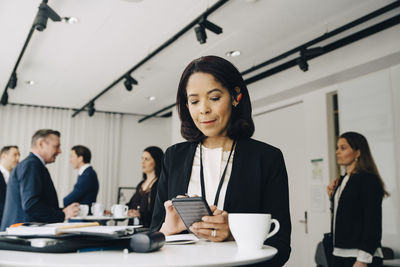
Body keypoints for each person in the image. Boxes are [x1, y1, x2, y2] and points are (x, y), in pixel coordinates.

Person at [150, 56, 291, 266]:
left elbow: (281, 247)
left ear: (236, 96)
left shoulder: (267, 158)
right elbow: (154, 232)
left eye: (214, 98)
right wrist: (166, 230)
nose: (203, 109)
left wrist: (234, 234)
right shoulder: (173, 156)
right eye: (194, 101)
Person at [326, 132, 389, 267]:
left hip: (360, 258)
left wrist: (362, 259)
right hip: (338, 254)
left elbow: (373, 223)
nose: (337, 152)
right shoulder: (342, 181)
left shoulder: (369, 180)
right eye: (337, 148)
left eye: (343, 148)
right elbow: (346, 216)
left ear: (358, 152)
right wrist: (332, 198)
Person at [1, 129, 79, 231]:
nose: (60, 151)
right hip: (22, 235)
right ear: (41, 144)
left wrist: (62, 211)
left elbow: (38, 203)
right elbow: (31, 205)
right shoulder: (31, 165)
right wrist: (62, 214)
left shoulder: (34, 165)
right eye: (56, 146)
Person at [126, 146, 164, 227]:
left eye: (146, 159)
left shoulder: (160, 185)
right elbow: (131, 205)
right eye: (142, 159)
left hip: (149, 231)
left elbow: (159, 213)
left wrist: (140, 215)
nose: (142, 162)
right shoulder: (140, 184)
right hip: (133, 229)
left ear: (156, 161)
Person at [0, 146, 20, 223]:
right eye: (15, 155)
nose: (18, 158)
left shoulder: (17, 176)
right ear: (3, 156)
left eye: (19, 155)